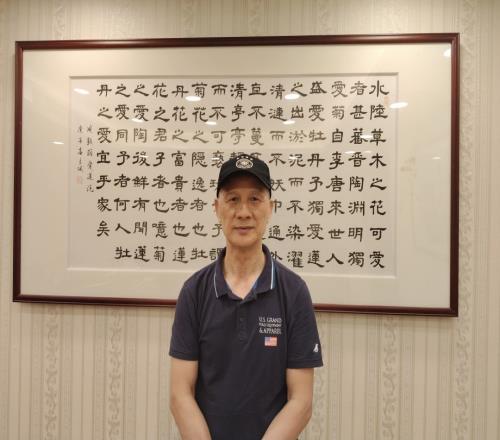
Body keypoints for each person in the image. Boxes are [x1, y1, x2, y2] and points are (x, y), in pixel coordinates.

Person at [169, 153, 323, 440]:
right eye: (233, 199)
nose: (243, 212)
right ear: (217, 208)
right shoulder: (194, 291)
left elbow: (301, 401)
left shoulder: (294, 292)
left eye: (254, 199)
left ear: (271, 208)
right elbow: (181, 394)